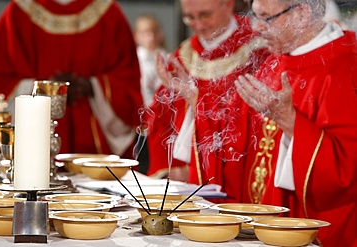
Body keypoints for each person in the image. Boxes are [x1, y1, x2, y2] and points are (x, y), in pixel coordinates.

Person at [234, 0, 357, 246]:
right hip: (267, 223)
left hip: (320, 227)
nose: (256, 28)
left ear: (301, 15)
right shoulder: (274, 62)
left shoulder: (347, 67)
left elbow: (347, 170)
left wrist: (291, 122)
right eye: (253, 16)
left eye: (266, 17)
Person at [145, 0, 270, 202]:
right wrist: (170, 170)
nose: (198, 25)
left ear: (228, 5)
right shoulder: (182, 56)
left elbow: (258, 123)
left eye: (204, 15)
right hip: (183, 188)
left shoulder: (259, 51)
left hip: (236, 179)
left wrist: (197, 101)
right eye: (190, 17)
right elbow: (160, 121)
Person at [0, 0, 143, 159]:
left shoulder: (108, 11)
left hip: (91, 140)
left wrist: (92, 86)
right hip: (34, 133)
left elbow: (127, 75)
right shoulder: (19, 11)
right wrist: (42, 88)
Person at [133, 14, 168, 174]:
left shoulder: (167, 58)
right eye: (145, 33)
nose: (151, 37)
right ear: (137, 35)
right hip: (138, 117)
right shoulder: (134, 59)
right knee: (138, 158)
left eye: (154, 32)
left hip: (159, 118)